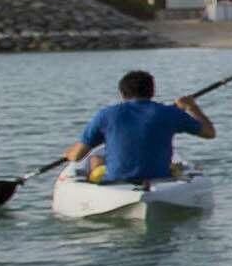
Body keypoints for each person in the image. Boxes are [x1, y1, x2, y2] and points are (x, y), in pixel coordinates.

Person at [70, 68, 213, 183]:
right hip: (159, 178)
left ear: (121, 93)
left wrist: (68, 154)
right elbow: (209, 133)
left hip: (116, 181)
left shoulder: (105, 114)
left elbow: (77, 156)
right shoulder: (170, 113)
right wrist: (192, 107)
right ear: (152, 92)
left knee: (95, 160)